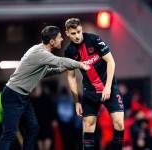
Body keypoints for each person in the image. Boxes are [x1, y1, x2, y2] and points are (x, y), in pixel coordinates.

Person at [0, 25, 90, 150]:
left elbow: (44, 72)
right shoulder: (41, 53)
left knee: (33, 128)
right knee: (9, 133)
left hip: (23, 96)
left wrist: (60, 70)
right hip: (13, 95)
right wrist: (80, 64)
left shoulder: (40, 52)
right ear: (52, 42)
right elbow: (60, 61)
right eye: (59, 37)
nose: (62, 39)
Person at [64, 18, 124, 150]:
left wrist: (108, 87)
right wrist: (76, 101)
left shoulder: (94, 39)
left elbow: (111, 62)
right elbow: (71, 77)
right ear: (67, 33)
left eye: (79, 32)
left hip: (109, 88)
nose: (77, 36)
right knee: (88, 125)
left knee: (119, 123)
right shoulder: (69, 52)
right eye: (73, 33)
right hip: (90, 92)